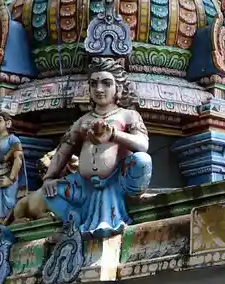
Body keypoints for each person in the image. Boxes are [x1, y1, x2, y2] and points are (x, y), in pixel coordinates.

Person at [40, 58, 153, 237]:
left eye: (106, 83)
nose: (99, 89)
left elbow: (143, 145)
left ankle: (113, 214)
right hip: (84, 187)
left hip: (118, 183)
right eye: (94, 84)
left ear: (119, 88)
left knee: (142, 160)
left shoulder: (128, 115)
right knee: (49, 193)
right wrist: (49, 178)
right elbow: (63, 150)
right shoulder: (82, 121)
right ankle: (75, 220)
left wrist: (114, 135)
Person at [0, 113, 27, 225]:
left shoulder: (13, 139)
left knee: (8, 200)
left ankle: (10, 219)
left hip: (9, 174)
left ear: (8, 123)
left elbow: (18, 159)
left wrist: (10, 179)